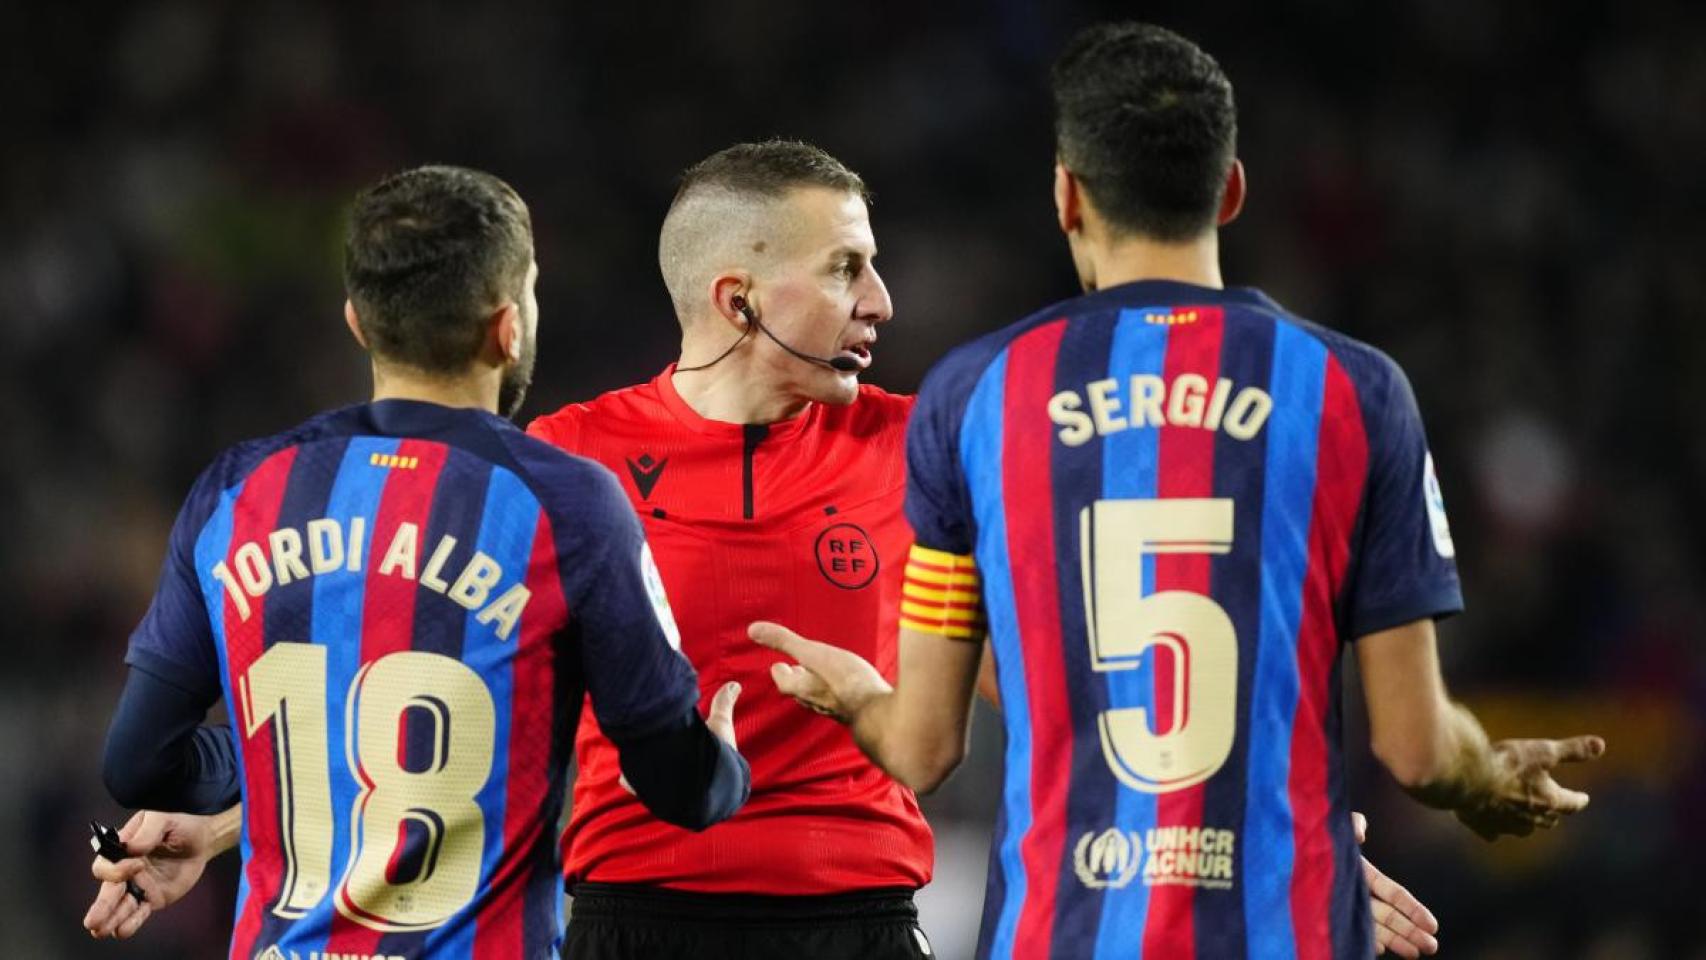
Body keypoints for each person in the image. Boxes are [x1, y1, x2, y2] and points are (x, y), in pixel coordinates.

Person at [87, 144, 1438, 959]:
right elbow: (443, 738)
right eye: (847, 269)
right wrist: (220, 828)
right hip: (615, 925)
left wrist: (1258, 837)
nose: (883, 303)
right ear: (738, 295)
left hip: (858, 930)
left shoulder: (943, 446)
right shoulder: (559, 473)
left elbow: (1074, 688)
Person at [752, 23, 1604, 960]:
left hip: (1058, 937)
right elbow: (1417, 748)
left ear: (1067, 196)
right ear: (1231, 189)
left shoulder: (974, 397)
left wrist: (858, 696)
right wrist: (1483, 782)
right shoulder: (1354, 392)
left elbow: (921, 749)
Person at [84, 165, 750, 959]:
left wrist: (261, 765)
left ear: (358, 323)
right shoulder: (567, 504)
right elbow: (677, 779)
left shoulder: (238, 490)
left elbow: (137, 762)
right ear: (510, 325)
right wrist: (723, 765)